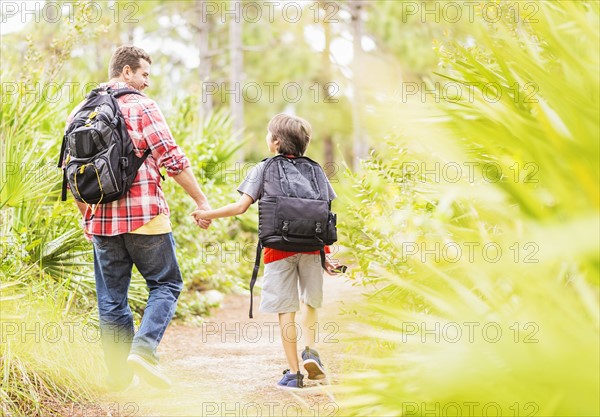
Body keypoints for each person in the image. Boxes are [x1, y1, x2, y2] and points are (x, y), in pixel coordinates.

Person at [65, 45, 212, 390]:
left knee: (111, 300)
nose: (147, 82)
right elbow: (171, 158)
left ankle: (117, 378)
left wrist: (87, 216)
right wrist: (200, 200)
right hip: (145, 216)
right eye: (144, 74)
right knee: (166, 284)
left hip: (101, 221)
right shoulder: (143, 106)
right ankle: (144, 352)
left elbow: (71, 174)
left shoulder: (79, 111)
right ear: (127, 71)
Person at [191, 113, 340, 389]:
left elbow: (239, 207)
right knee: (311, 303)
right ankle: (311, 350)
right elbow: (324, 214)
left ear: (275, 142)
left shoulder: (264, 168)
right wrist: (326, 254)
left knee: (286, 309)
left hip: (278, 248)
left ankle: (294, 373)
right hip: (312, 249)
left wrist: (206, 213)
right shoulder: (317, 170)